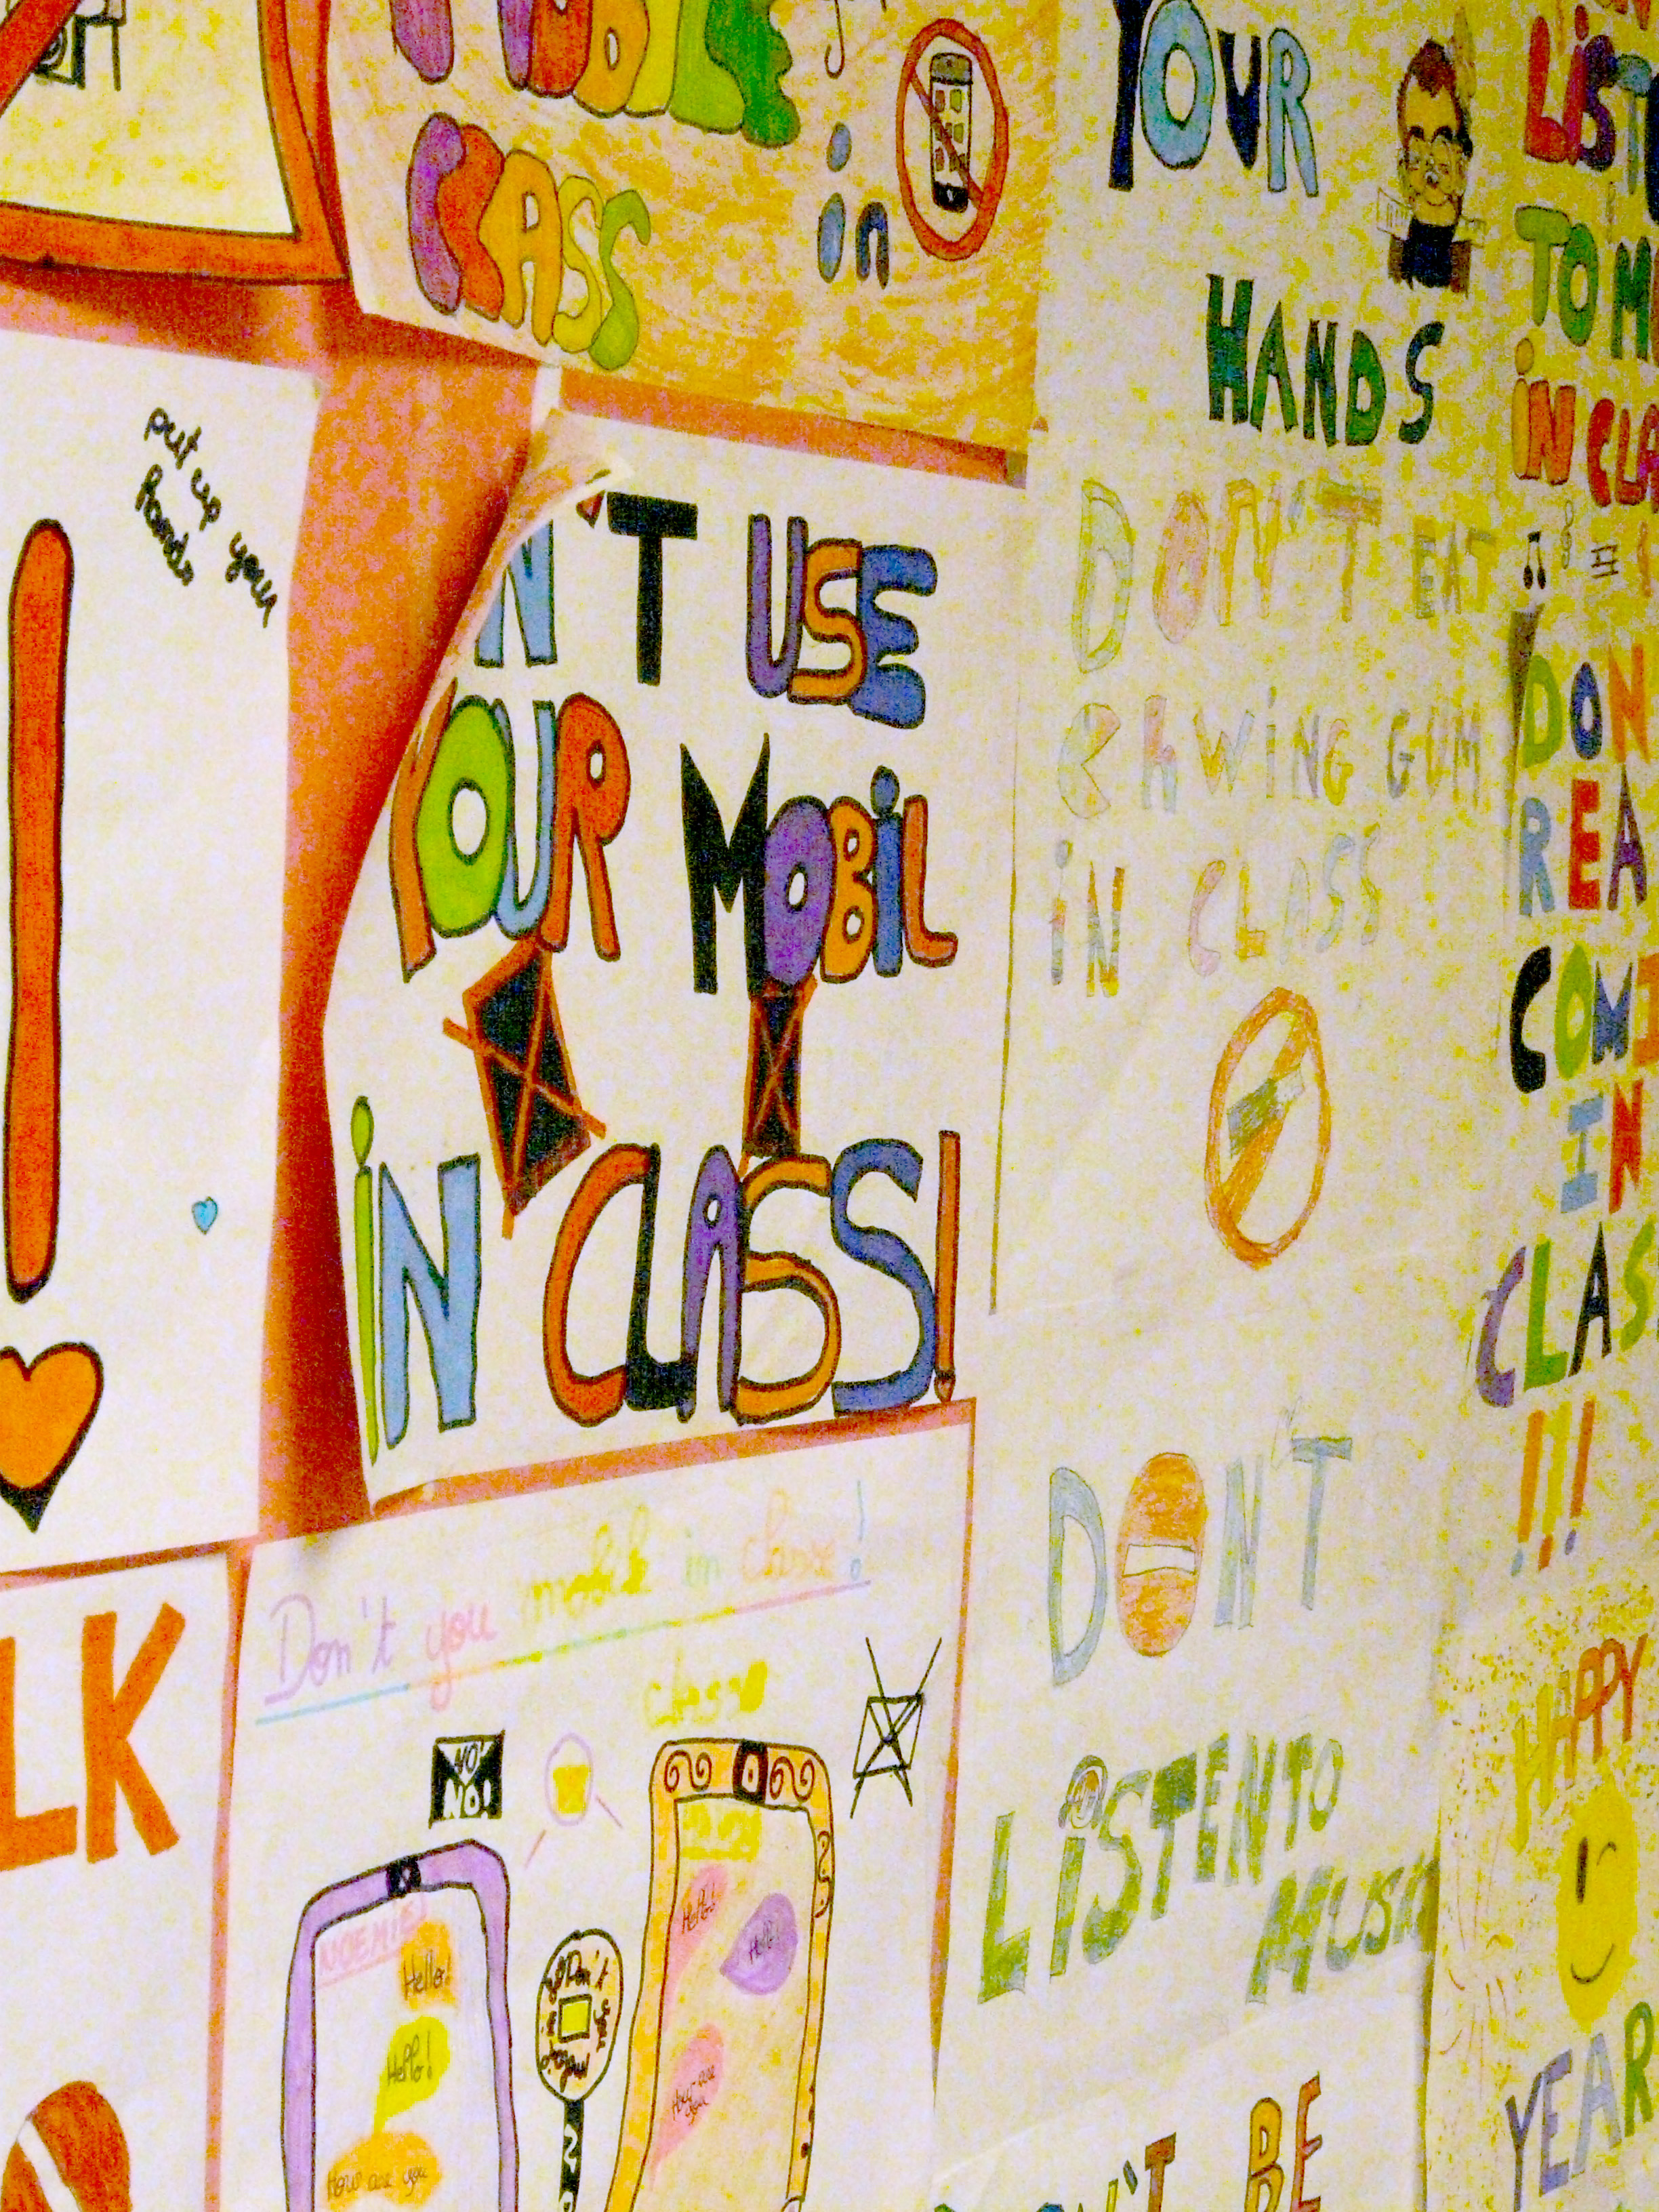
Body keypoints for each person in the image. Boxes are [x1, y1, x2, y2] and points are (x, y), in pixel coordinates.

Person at [1389, 24, 1475, 293]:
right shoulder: (1398, 256)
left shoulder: (1469, 257)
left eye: (1441, 146)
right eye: (1418, 152)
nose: (1430, 172)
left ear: (1462, 164)